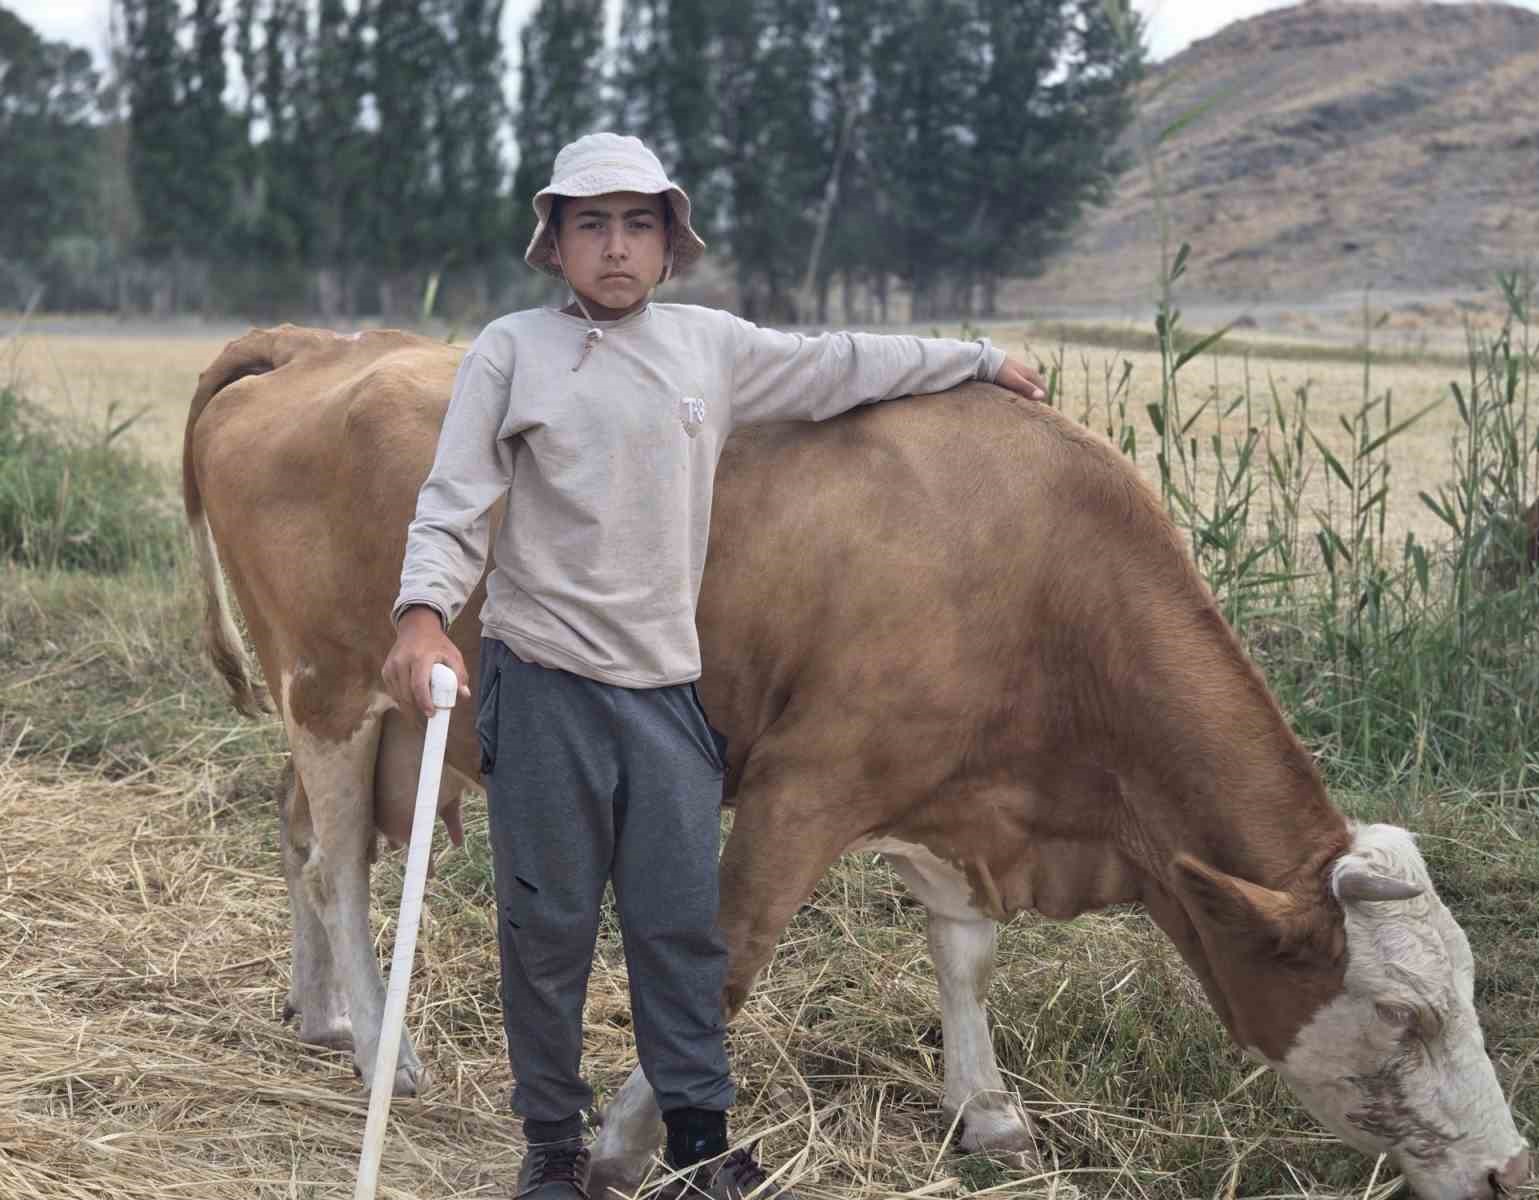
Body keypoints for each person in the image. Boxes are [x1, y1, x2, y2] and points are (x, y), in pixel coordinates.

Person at [383, 132, 1048, 1200]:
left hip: (665, 693)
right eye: (590, 225)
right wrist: (421, 616)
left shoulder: (712, 347)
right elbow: (455, 501)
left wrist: (972, 358)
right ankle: (551, 1146)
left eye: (637, 224)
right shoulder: (511, 351)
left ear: (668, 244)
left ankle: (696, 1149)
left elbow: (842, 362)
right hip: (544, 682)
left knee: (679, 930)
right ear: (553, 243)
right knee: (545, 929)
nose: (614, 248)